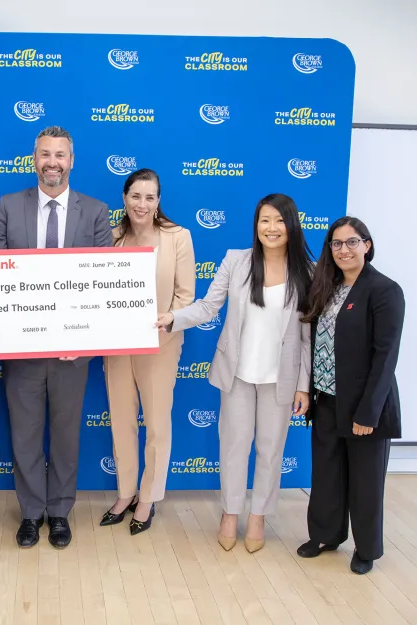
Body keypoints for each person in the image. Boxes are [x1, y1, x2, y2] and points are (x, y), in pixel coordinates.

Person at [157, 193, 313, 553]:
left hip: (281, 378)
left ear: (291, 226)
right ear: (255, 225)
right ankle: (230, 512)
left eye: (278, 221)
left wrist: (303, 387)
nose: (271, 228)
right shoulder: (236, 261)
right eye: (264, 220)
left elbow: (306, 337)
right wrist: (173, 318)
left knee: (271, 450)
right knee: (234, 448)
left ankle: (257, 516)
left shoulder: (308, 271)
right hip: (237, 374)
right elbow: (209, 307)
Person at [0, 125, 112, 549]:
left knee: (65, 433)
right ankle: (30, 512)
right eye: (45, 154)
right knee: (23, 433)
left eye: (60, 155)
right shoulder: (8, 206)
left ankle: (59, 512)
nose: (52, 162)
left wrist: (83, 337)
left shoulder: (95, 211)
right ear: (33, 159)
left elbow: (102, 282)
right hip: (21, 351)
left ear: (71, 161)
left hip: (73, 353)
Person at [296, 216, 405, 575]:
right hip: (326, 399)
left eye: (352, 242)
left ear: (367, 245)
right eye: (337, 244)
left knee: (365, 482)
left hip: (363, 406)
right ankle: (326, 536)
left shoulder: (385, 290)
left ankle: (367, 549)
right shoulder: (326, 286)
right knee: (326, 475)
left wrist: (368, 413)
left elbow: (385, 357)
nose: (344, 249)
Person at [100, 169, 194, 535]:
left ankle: (149, 497)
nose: (142, 204)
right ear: (124, 198)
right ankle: (125, 493)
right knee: (121, 419)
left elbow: (186, 296)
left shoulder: (178, 237)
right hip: (118, 344)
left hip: (161, 346)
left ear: (158, 201)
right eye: (135, 196)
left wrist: (166, 323)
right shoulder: (111, 239)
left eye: (149, 197)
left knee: (157, 424)